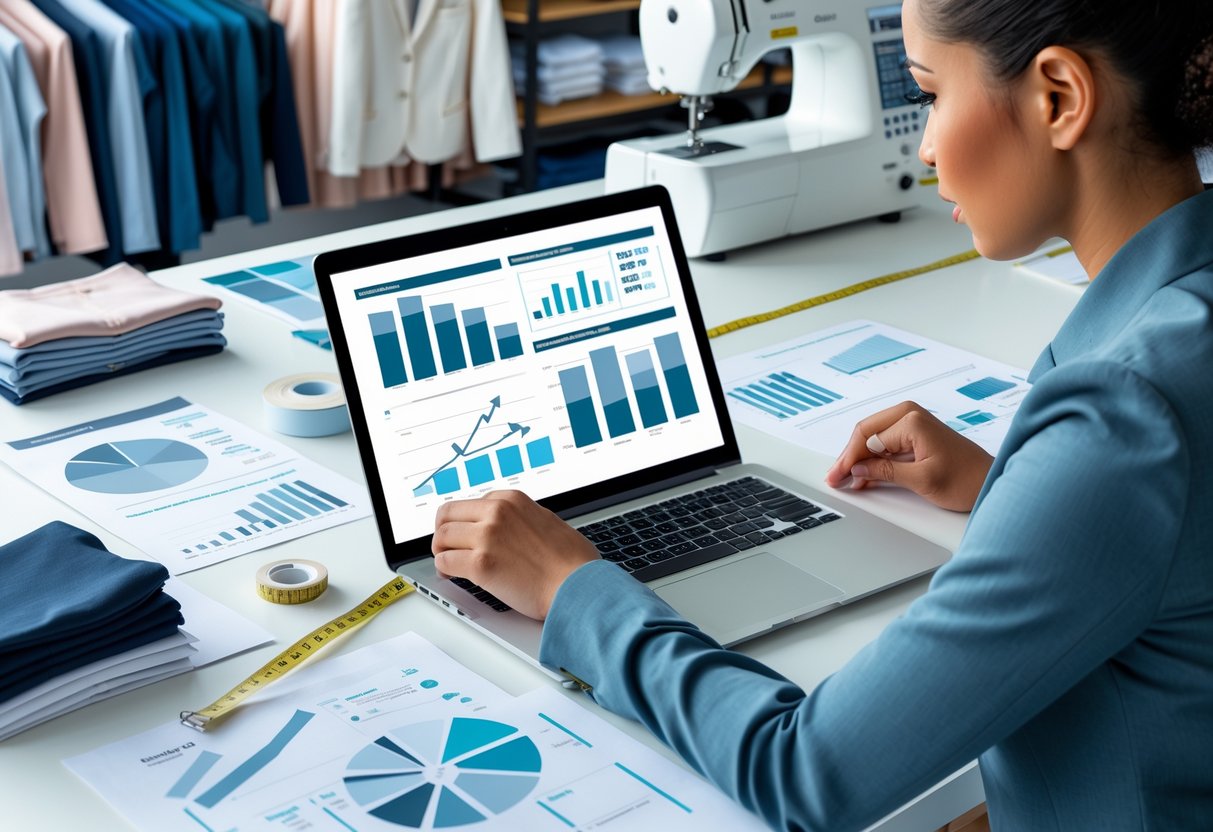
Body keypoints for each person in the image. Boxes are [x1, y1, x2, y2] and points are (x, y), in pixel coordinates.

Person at [431, 0, 1213, 827]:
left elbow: (805, 773)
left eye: (930, 93)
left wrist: (572, 588)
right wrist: (1012, 486)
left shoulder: (1121, 423)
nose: (924, 146)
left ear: (1057, 97)